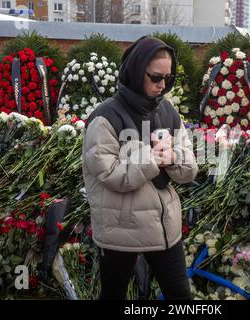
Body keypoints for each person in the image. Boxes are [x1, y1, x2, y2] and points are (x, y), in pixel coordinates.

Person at [82, 36, 198, 300]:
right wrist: (153, 158)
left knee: (181, 298)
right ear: (135, 72)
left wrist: (174, 157)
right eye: (156, 77)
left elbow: (190, 168)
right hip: (120, 230)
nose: (162, 86)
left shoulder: (167, 110)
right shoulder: (105, 117)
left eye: (168, 79)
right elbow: (109, 174)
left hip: (165, 227)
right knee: (113, 295)